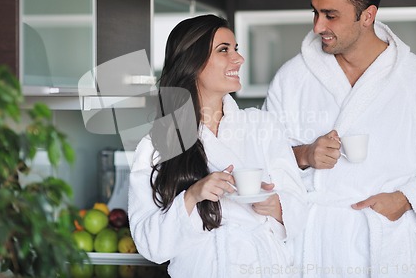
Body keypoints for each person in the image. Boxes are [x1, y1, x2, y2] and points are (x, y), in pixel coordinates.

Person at [263, 0, 416, 277]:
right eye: (315, 12)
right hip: (315, 242)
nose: (318, 26)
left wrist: (404, 200)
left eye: (331, 15)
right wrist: (305, 154)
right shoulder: (292, 77)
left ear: (368, 15)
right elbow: (262, 159)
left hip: (385, 241)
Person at [128, 14, 308, 278]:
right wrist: (192, 196)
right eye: (224, 50)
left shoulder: (262, 127)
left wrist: (274, 205)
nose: (238, 58)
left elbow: (299, 207)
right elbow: (150, 245)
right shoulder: (156, 145)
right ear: (192, 62)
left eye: (236, 49)